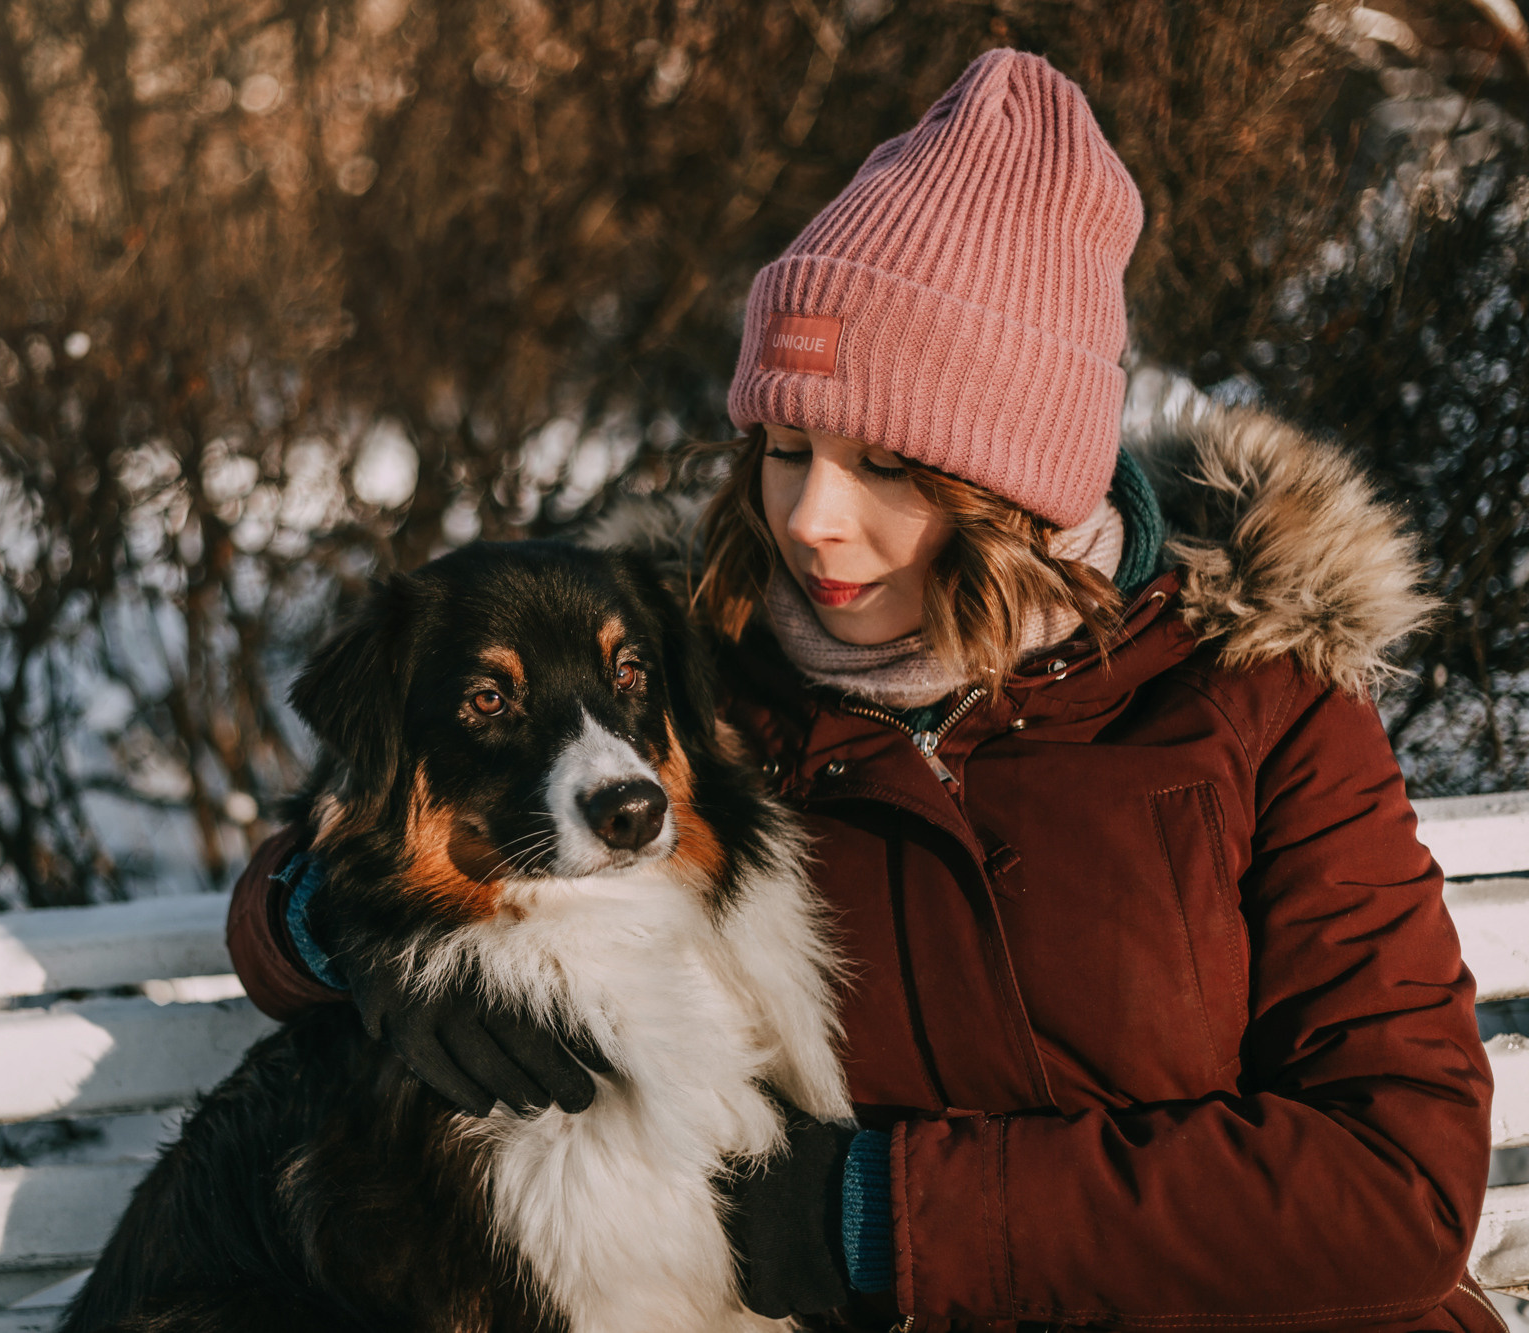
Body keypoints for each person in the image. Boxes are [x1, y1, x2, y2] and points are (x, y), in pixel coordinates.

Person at [225, 49, 1497, 1331]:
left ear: (1024, 486)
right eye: (785, 448)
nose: (810, 520)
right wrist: (341, 930)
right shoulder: (692, 678)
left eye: (886, 463)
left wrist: (884, 1216)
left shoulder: (1258, 698)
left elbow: (1396, 1178)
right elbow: (360, 818)